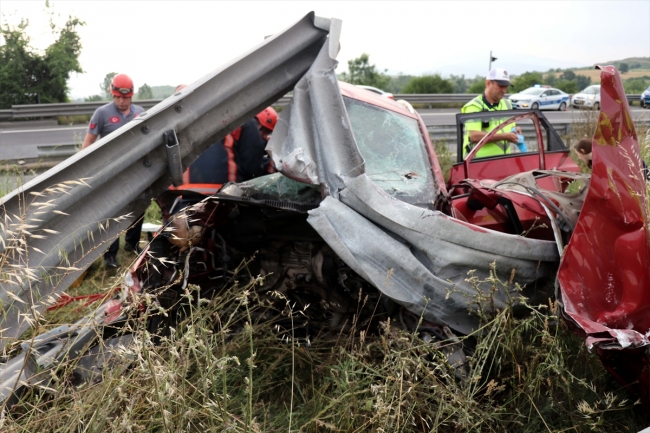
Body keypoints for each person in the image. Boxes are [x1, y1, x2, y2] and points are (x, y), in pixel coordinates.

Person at [83, 73, 145, 268]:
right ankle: (110, 256)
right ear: (112, 94)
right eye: (117, 97)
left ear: (132, 95)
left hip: (135, 169)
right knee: (113, 212)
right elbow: (88, 144)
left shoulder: (140, 113)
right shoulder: (101, 114)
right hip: (111, 172)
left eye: (125, 97)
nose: (121, 101)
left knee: (139, 206)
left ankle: (132, 244)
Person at [461, 68, 520, 158]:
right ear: (488, 83)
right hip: (478, 163)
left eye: (506, 86)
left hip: (503, 162)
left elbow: (510, 128)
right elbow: (474, 136)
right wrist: (505, 136)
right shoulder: (474, 106)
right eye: (501, 86)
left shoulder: (508, 104)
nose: (504, 90)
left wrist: (515, 130)